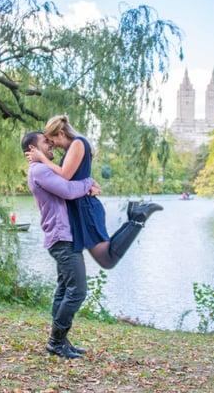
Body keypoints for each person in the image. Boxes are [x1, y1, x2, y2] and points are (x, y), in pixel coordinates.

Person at [26, 115, 163, 269]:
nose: (53, 145)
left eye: (52, 140)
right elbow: (73, 177)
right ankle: (135, 216)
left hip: (85, 208)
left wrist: (43, 159)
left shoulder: (77, 143)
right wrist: (89, 182)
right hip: (81, 208)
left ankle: (138, 218)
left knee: (107, 260)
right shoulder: (72, 148)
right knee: (107, 255)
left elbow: (65, 176)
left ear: (62, 134)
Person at [22, 131, 100, 359]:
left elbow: (67, 186)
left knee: (65, 289)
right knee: (78, 291)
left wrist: (85, 186)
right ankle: (55, 342)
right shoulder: (39, 170)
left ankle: (60, 340)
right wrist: (88, 183)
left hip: (64, 236)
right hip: (61, 237)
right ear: (32, 150)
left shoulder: (43, 169)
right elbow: (67, 190)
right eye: (45, 142)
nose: (51, 144)